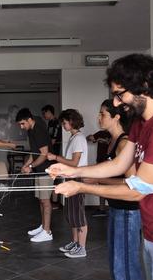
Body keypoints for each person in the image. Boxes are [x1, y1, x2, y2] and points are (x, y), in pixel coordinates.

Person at [50, 53, 153, 280]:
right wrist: (73, 171)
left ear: (144, 87)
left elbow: (139, 189)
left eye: (120, 94)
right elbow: (119, 165)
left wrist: (82, 187)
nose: (117, 103)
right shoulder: (141, 122)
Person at [86, 100, 146, 280]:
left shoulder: (124, 142)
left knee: (125, 265)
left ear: (116, 117)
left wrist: (96, 181)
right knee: (115, 261)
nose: (98, 117)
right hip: (116, 208)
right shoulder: (111, 141)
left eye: (102, 114)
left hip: (129, 211)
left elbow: (131, 182)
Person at [47, 109, 88, 258]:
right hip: (71, 178)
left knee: (78, 214)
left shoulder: (79, 138)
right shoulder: (73, 137)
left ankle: (81, 248)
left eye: (64, 123)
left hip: (77, 179)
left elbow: (74, 163)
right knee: (71, 213)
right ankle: (75, 242)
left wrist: (55, 158)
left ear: (71, 122)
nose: (63, 125)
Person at [15, 108, 54, 243]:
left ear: (29, 119)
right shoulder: (31, 129)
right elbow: (35, 153)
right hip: (39, 169)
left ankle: (47, 232)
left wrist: (30, 167)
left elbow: (44, 154)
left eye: (22, 123)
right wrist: (26, 165)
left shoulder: (39, 129)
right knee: (41, 200)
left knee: (46, 201)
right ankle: (43, 227)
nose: (21, 127)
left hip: (46, 170)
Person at [87, 129, 111, 217]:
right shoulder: (101, 133)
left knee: (109, 185)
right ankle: (102, 209)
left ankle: (111, 208)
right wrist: (93, 138)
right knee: (101, 185)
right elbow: (88, 138)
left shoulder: (115, 134)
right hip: (100, 162)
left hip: (110, 163)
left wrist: (104, 141)